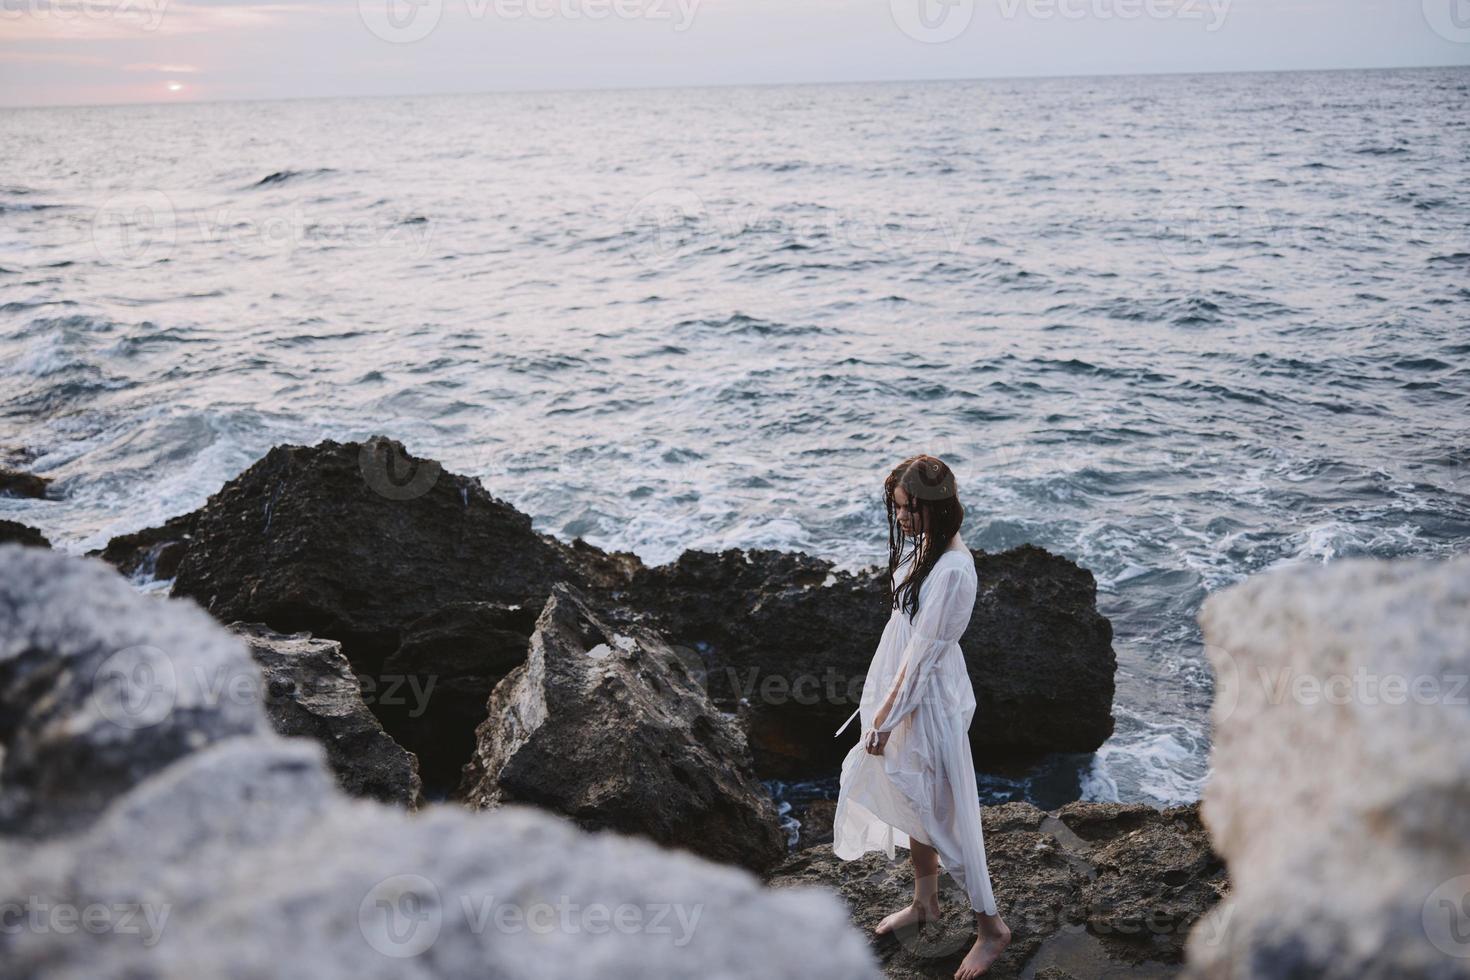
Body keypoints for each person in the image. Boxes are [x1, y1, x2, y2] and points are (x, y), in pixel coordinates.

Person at [830, 454, 1011, 979]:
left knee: (944, 818)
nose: (902, 518)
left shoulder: (953, 569)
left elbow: (925, 657)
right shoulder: (928, 550)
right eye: (898, 507)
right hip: (904, 695)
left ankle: (991, 928)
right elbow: (908, 642)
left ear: (938, 507)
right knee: (915, 801)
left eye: (909, 508)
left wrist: (884, 718)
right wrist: (882, 707)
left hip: (925, 703)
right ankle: (926, 902)